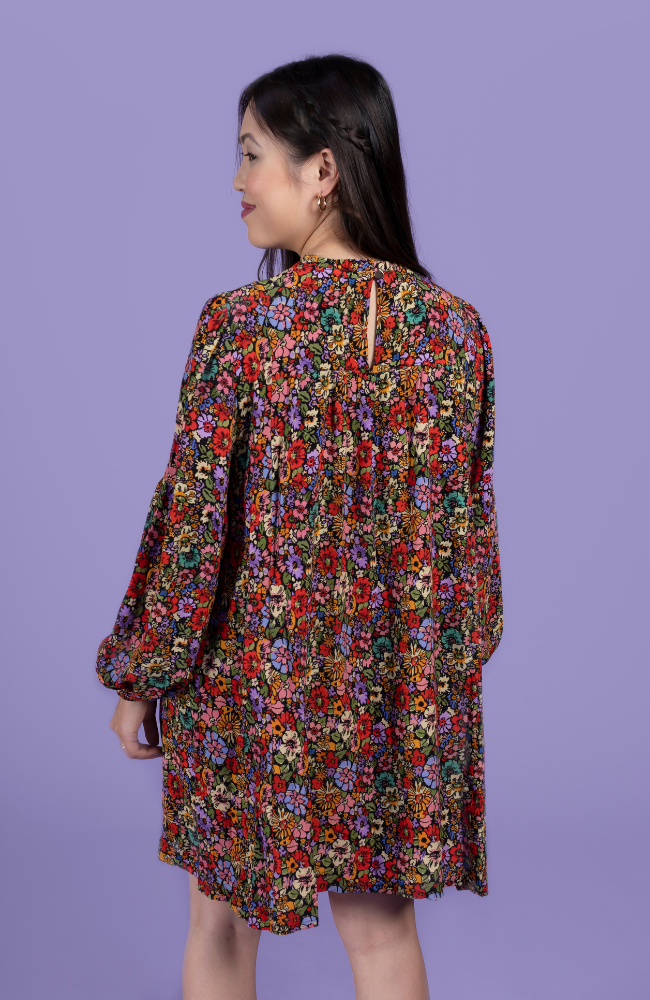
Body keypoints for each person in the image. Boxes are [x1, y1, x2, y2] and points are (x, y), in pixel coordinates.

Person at [97, 53, 503, 1000]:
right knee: (383, 936)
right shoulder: (457, 331)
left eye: (252, 154)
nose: (237, 180)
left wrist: (142, 674)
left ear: (322, 170)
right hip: (392, 691)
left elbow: (194, 526)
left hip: (253, 687)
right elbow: (468, 545)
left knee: (220, 925)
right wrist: (431, 685)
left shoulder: (240, 328)